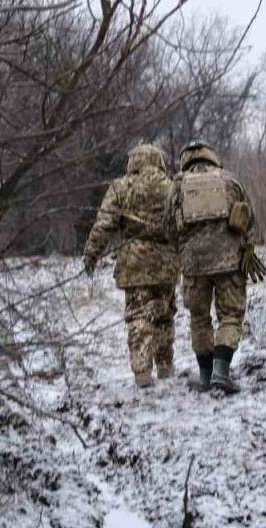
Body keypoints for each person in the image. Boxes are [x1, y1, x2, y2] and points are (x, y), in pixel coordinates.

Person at [165, 140, 265, 394]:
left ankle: (206, 376)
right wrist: (247, 247)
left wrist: (183, 252)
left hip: (194, 265)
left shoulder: (177, 186)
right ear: (212, 157)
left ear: (185, 160)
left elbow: (167, 227)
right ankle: (222, 372)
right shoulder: (230, 181)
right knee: (230, 315)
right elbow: (249, 217)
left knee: (200, 319)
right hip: (229, 263)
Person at [82, 144, 179, 388]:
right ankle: (166, 366)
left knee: (139, 315)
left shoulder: (121, 187)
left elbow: (104, 224)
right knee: (165, 313)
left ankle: (142, 371)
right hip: (167, 262)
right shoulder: (172, 188)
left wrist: (92, 253)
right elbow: (183, 223)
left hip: (135, 263)